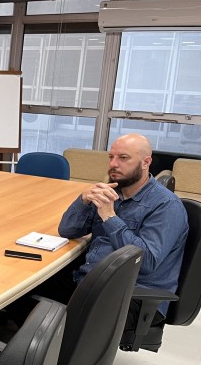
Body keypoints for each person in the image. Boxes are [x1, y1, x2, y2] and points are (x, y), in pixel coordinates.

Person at [46, 133, 188, 325]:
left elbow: (146, 262)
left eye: (123, 158)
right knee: (28, 291)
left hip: (132, 295)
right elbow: (67, 230)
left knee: (41, 316)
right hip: (93, 281)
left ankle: (44, 350)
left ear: (146, 163)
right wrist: (83, 200)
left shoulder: (166, 206)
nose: (113, 164)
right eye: (111, 157)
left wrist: (109, 217)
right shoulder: (112, 193)